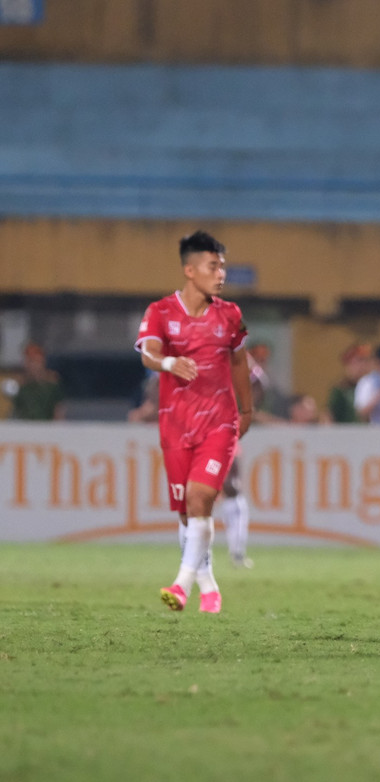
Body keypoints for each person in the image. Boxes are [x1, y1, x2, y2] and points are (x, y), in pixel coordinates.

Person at [135, 230, 254, 614]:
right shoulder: (161, 312)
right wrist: (169, 363)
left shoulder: (230, 315)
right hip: (175, 426)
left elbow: (238, 362)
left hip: (219, 423)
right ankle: (209, 585)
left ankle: (181, 586)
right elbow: (148, 354)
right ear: (190, 270)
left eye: (223, 267)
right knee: (188, 513)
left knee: (200, 497)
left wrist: (246, 411)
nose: (221, 274)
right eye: (213, 266)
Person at [10, 342, 65, 420]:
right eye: (29, 361)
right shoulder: (20, 385)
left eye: (35, 361)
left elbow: (59, 410)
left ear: (42, 362)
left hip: (47, 428)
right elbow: (15, 411)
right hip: (25, 428)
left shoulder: (51, 384)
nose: (33, 365)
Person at [327, 343, 370, 423]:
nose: (361, 366)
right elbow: (330, 416)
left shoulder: (372, 387)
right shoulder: (341, 389)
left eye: (364, 361)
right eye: (356, 362)